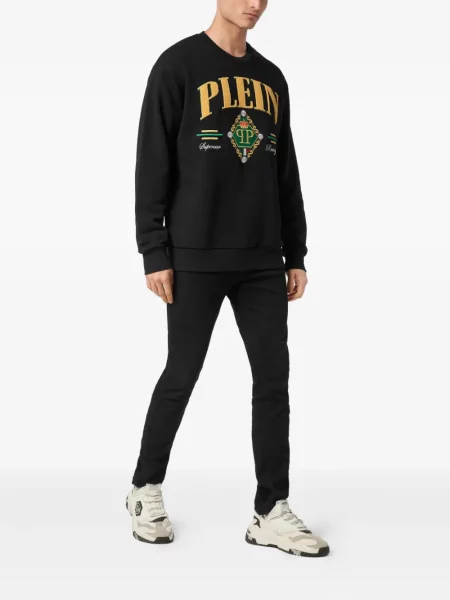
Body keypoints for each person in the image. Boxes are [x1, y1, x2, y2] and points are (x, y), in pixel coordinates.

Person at [126, 0, 330, 557]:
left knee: (273, 381)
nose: (255, 4)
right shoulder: (178, 66)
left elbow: (284, 168)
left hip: (262, 258)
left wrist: (295, 252)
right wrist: (154, 250)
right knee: (182, 373)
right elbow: (151, 160)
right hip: (193, 254)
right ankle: (144, 487)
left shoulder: (272, 78)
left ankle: (271, 509)